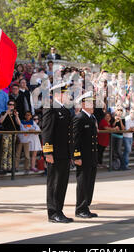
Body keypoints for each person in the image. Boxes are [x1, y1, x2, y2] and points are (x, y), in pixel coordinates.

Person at [42, 82, 74, 223]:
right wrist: (48, 153)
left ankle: (59, 210)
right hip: (54, 154)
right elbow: (47, 132)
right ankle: (53, 212)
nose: (68, 96)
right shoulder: (51, 108)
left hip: (64, 153)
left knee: (62, 183)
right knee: (54, 183)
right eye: (65, 93)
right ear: (57, 95)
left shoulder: (65, 110)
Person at [73, 91, 99, 219]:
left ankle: (86, 206)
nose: (93, 104)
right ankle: (80, 208)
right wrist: (76, 156)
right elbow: (75, 139)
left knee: (90, 182)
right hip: (83, 157)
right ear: (83, 104)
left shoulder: (92, 118)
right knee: (83, 183)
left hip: (91, 156)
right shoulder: (79, 118)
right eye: (89, 102)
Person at [0, 100, 21, 174]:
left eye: (12, 105)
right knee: (5, 150)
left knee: (11, 151)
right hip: (6, 133)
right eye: (10, 104)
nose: (11, 106)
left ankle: (10, 167)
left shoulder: (15, 113)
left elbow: (19, 123)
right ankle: (3, 167)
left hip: (13, 134)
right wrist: (6, 113)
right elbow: (1, 121)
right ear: (7, 105)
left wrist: (17, 116)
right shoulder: (3, 112)